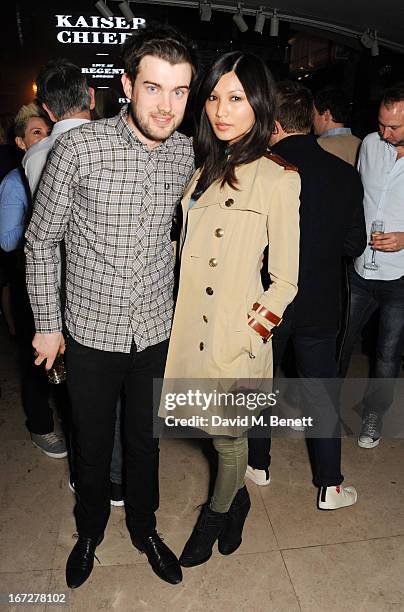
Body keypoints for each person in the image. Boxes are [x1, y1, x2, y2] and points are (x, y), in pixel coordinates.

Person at [25, 24, 198, 588]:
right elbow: (41, 238)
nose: (166, 105)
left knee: (146, 443)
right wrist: (48, 325)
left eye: (178, 92)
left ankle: (146, 529)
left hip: (153, 331)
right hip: (91, 333)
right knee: (93, 445)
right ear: (126, 85)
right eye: (154, 88)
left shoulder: (186, 154)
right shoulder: (79, 146)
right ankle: (90, 531)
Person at [161, 52, 300, 568]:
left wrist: (249, 334)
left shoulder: (278, 179)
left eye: (236, 98)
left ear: (259, 103)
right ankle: (237, 499)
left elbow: (285, 279)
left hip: (232, 337)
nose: (222, 110)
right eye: (215, 97)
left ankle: (216, 515)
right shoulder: (201, 173)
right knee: (207, 430)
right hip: (189, 329)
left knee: (227, 439)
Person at [247, 81, 366, 510]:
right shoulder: (346, 176)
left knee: (260, 383)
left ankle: (258, 464)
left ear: (274, 124)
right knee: (321, 391)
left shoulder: (261, 171)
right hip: (321, 300)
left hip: (267, 300)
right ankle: (330, 485)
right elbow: (355, 245)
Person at [339, 83, 404, 449]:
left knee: (387, 352)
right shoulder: (369, 145)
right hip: (361, 268)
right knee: (340, 340)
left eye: (393, 127)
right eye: (381, 124)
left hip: (400, 275)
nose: (385, 133)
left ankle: (374, 414)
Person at [313, 86, 362, 166]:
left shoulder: (318, 146)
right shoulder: (361, 144)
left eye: (314, 114)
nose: (312, 120)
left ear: (326, 115)